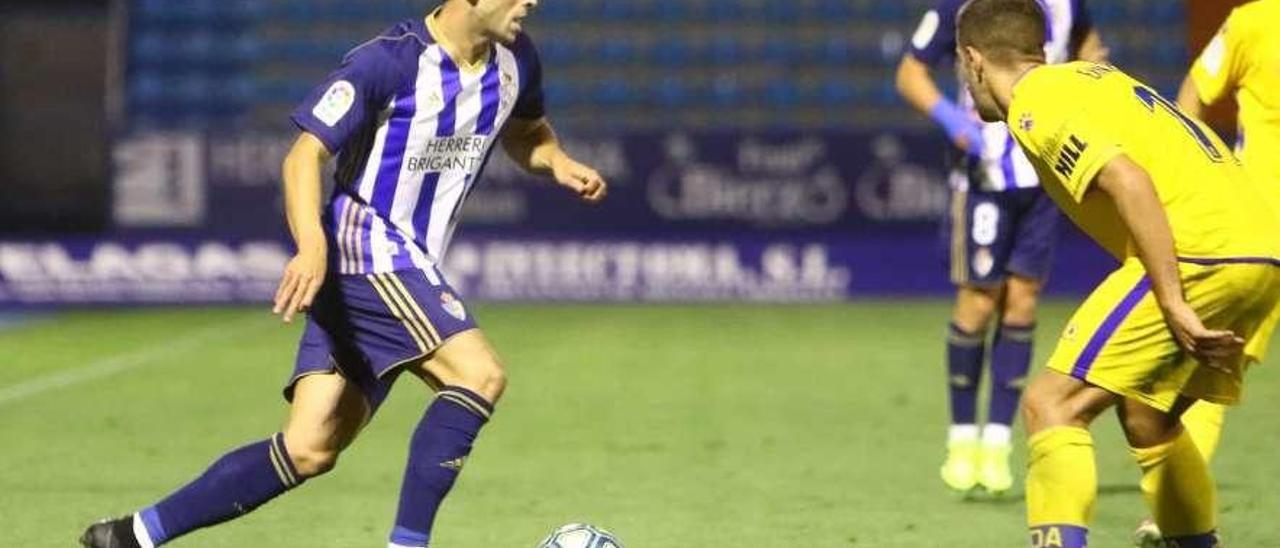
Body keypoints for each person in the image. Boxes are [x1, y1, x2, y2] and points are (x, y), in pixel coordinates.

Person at [80, 1, 608, 546]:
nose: (531, 2)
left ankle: (132, 534)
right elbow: (302, 157)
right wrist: (310, 245)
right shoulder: (386, 64)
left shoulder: (517, 59)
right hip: (367, 253)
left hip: (395, 266)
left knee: (308, 449)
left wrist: (558, 162)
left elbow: (528, 133)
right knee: (479, 375)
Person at [954, 0, 1280, 545]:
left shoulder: (1036, 102)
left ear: (973, 60)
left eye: (962, 71)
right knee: (1149, 418)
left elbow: (1128, 181)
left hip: (1202, 251)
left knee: (1051, 404)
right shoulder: (1091, 79)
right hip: (1262, 250)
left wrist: (1172, 299)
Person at [896, 0, 1106, 494]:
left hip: (1047, 170)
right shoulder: (961, 6)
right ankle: (961, 439)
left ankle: (996, 444)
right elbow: (909, 73)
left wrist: (1096, 81)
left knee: (1024, 298)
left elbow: (1091, 50)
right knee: (979, 299)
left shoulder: (1066, 5)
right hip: (984, 174)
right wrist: (953, 120)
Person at [1127, 2, 1280, 544]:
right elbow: (1193, 93)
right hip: (1263, 226)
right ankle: (1170, 512)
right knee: (1213, 360)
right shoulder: (1255, 20)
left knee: (1208, 364)